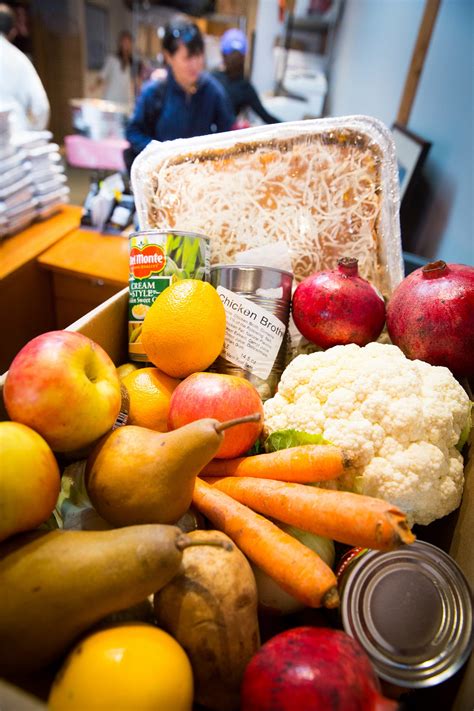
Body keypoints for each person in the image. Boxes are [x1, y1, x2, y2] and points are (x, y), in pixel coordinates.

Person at [125, 20, 234, 163]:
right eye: (188, 58)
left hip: (200, 173)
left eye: (199, 55)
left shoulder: (212, 90)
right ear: (168, 57)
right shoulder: (154, 91)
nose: (195, 64)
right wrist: (159, 153)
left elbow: (227, 134)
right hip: (163, 172)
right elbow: (133, 132)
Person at [212, 28, 280, 125]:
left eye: (236, 56)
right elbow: (266, 117)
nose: (234, 60)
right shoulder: (211, 80)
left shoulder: (244, 88)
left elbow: (266, 117)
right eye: (232, 55)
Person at [0, 3, 50, 131]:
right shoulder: (18, 59)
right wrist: (31, 131)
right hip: (12, 140)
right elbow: (40, 107)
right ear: (13, 31)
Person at [98, 30, 142, 106]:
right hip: (111, 99)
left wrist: (140, 91)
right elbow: (102, 76)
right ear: (120, 43)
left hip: (125, 101)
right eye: (124, 42)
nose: (126, 45)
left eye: (128, 42)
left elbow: (136, 81)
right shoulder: (112, 59)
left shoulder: (133, 62)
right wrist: (94, 86)